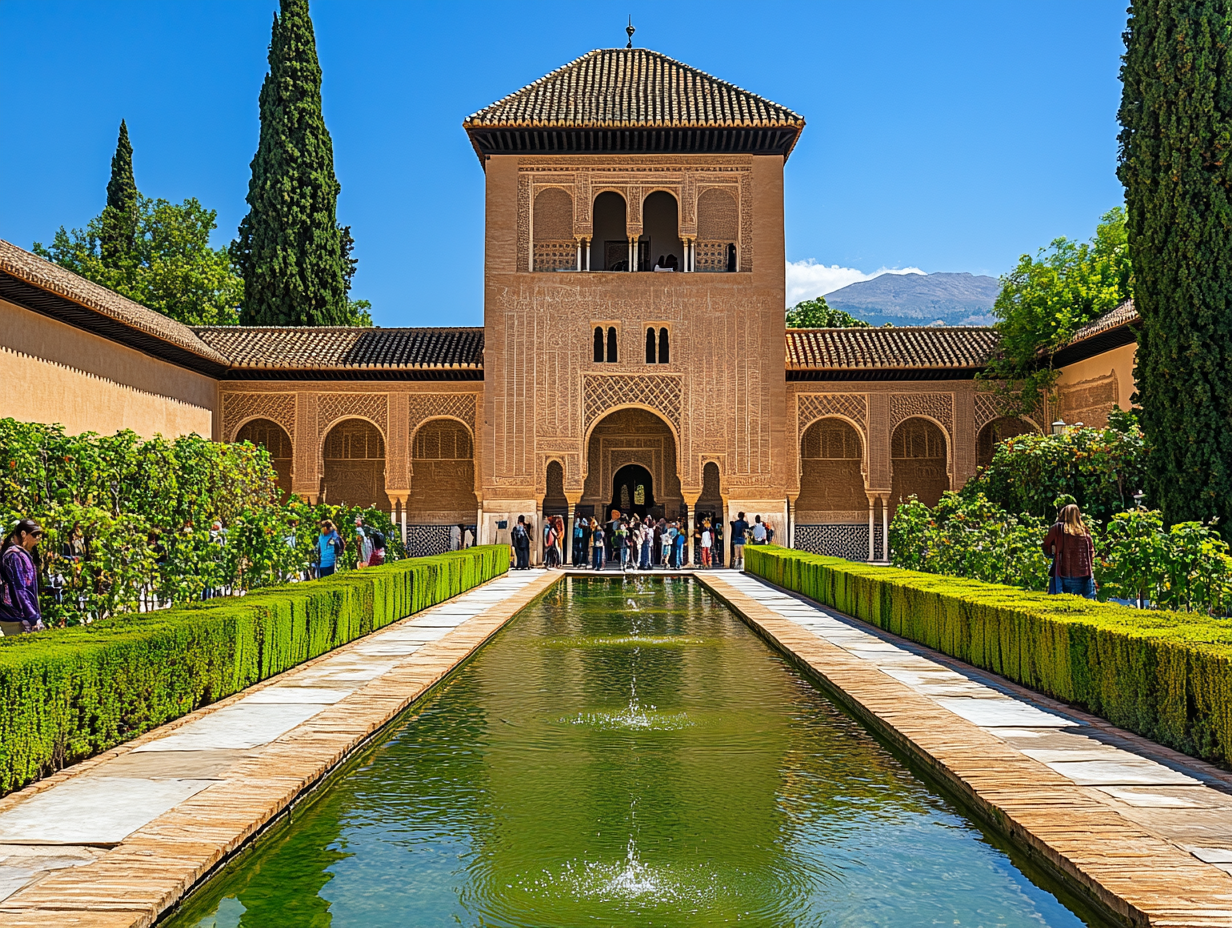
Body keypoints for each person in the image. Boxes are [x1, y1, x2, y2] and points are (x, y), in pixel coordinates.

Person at [1042, 504, 1097, 599]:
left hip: (1062, 575)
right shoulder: (1084, 532)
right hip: (1083, 577)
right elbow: (1091, 553)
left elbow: (1046, 545)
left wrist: (1052, 552)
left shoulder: (1058, 528)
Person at [0, 519, 45, 633]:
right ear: (23, 534)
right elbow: (19, 589)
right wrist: (33, 617)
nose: (38, 539)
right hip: (16, 616)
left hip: (19, 614)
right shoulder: (15, 556)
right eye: (34, 535)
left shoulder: (20, 554)